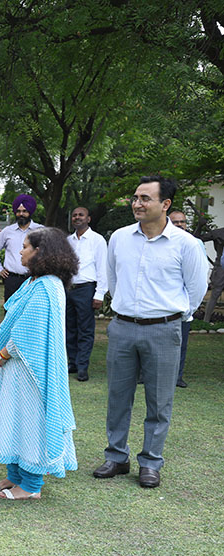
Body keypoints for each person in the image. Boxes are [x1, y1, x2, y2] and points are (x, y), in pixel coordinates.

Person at [94, 177, 208, 489]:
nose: (137, 204)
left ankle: (150, 462)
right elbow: (113, 278)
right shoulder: (119, 238)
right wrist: (125, 309)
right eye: (135, 198)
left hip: (164, 329)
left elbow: (195, 290)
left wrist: (173, 316)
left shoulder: (186, 244)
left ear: (165, 204)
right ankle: (116, 457)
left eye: (145, 198)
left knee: (159, 401)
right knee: (118, 396)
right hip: (122, 328)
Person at [0, 227, 79, 500]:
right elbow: (13, 321)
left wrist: (2, 354)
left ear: (40, 252)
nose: (20, 251)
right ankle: (15, 476)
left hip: (32, 368)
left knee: (30, 419)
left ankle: (31, 484)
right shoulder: (33, 281)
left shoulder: (48, 285)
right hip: (17, 365)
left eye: (25, 246)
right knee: (13, 416)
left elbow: (29, 331)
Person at [65, 207, 107, 382]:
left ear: (88, 219)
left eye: (80, 215)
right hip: (68, 289)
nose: (77, 218)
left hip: (86, 289)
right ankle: (73, 363)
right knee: (69, 328)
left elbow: (103, 268)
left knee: (85, 330)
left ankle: (83, 366)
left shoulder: (97, 240)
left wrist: (100, 294)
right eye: (74, 215)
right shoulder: (68, 240)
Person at [0, 194, 44, 301]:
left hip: (34, 279)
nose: (21, 214)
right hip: (12, 280)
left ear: (30, 212)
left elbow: (49, 253)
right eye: (18, 211)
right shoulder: (7, 231)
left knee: (32, 312)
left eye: (24, 211)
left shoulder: (40, 230)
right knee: (10, 312)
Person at [167, 210, 196, 389]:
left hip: (184, 306)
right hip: (166, 305)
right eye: (175, 222)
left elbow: (197, 280)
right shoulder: (166, 243)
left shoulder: (194, 244)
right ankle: (144, 375)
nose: (179, 225)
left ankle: (178, 376)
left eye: (182, 222)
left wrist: (190, 307)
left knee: (180, 345)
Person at [198, 223, 224, 322]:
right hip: (220, 268)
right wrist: (199, 226)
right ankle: (206, 321)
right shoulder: (218, 233)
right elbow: (196, 239)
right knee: (215, 294)